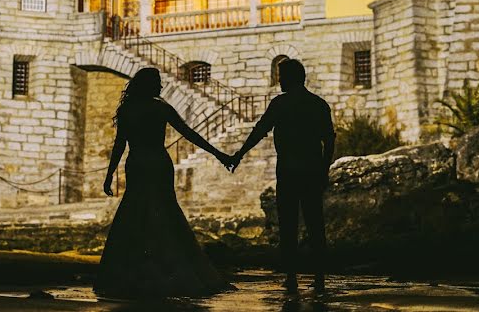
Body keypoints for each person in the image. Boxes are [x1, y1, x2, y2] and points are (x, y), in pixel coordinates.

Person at [94, 67, 235, 299]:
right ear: (150, 85)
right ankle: (171, 269)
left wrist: (110, 175)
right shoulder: (161, 108)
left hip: (138, 163)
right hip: (158, 163)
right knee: (165, 212)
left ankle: (129, 274)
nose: (160, 86)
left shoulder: (127, 110)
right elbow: (189, 134)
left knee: (135, 212)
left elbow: (120, 144)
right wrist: (220, 155)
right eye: (157, 82)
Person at [228, 58, 335, 294]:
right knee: (316, 223)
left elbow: (259, 131)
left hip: (287, 171)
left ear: (289, 78)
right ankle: (319, 278)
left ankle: (292, 277)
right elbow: (329, 140)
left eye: (281, 76)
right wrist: (324, 170)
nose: (278, 81)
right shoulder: (318, 104)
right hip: (311, 170)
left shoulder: (280, 104)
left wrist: (238, 155)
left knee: (288, 225)